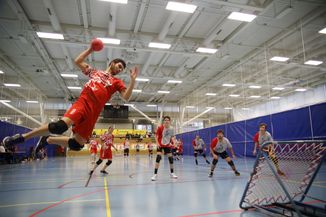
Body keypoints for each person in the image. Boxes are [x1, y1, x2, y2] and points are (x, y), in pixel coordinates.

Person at [2, 44, 139, 153]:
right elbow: (77, 61)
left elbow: (126, 97)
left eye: (122, 69)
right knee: (59, 127)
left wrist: (132, 81)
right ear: (113, 63)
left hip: (93, 113)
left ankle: (48, 140)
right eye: (119, 66)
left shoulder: (116, 82)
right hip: (82, 103)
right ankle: (22, 137)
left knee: (77, 145)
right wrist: (91, 49)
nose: (120, 70)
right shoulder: (95, 72)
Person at [151, 116, 178, 181]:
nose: (166, 121)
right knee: (158, 158)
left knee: (171, 159)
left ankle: (172, 173)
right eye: (165, 120)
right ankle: (155, 174)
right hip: (160, 145)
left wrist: (174, 142)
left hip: (167, 145)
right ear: (163, 121)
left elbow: (172, 137)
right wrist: (157, 143)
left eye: (167, 120)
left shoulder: (171, 129)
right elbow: (156, 136)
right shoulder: (160, 128)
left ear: (169, 121)